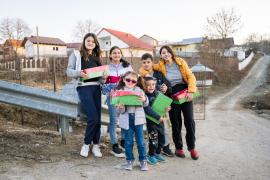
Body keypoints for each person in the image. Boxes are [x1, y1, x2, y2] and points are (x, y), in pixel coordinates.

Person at [153, 45, 199, 160]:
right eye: (163, 53)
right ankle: (179, 148)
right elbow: (147, 67)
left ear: (171, 53)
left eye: (167, 52)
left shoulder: (180, 62)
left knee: (189, 121)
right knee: (175, 122)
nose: (166, 54)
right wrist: (141, 71)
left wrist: (191, 91)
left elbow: (190, 76)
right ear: (161, 55)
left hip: (185, 93)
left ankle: (192, 148)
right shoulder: (159, 66)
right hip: (172, 94)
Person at [66, 33, 104, 158]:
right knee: (92, 117)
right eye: (88, 40)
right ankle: (86, 144)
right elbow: (69, 71)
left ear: (95, 44)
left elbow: (100, 77)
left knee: (97, 118)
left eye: (93, 41)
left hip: (96, 88)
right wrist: (79, 73)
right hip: (83, 87)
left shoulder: (97, 57)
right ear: (84, 41)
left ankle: (96, 145)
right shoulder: (76, 54)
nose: (91, 43)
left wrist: (104, 77)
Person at [139, 53, 174, 157]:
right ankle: (152, 153)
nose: (146, 64)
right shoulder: (140, 76)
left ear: (152, 62)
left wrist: (166, 88)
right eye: (144, 62)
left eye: (148, 62)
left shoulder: (159, 73)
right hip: (149, 111)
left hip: (160, 107)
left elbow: (168, 86)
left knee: (164, 131)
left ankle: (164, 148)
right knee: (153, 135)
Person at [102, 46, 133, 158]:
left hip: (124, 96)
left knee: (125, 118)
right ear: (110, 55)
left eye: (118, 53)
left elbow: (132, 81)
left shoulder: (127, 66)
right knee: (114, 120)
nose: (116, 55)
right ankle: (114, 144)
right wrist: (109, 89)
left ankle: (123, 141)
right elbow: (103, 85)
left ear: (121, 54)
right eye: (114, 53)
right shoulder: (106, 68)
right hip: (112, 97)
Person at [115, 71, 149, 171]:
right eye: (128, 80)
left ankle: (143, 161)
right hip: (126, 119)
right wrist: (120, 107)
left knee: (140, 141)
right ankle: (129, 160)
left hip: (138, 119)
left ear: (136, 81)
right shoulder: (119, 92)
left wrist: (144, 99)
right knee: (128, 142)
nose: (130, 82)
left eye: (133, 81)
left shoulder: (139, 90)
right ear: (123, 80)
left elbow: (146, 104)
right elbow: (119, 110)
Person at [143, 76, 169, 165]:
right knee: (153, 140)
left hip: (160, 120)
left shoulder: (158, 94)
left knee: (162, 138)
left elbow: (162, 106)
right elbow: (147, 109)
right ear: (144, 86)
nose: (151, 87)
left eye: (153, 84)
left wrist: (166, 109)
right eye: (148, 85)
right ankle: (151, 155)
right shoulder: (144, 96)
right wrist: (158, 117)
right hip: (151, 121)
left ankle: (157, 153)